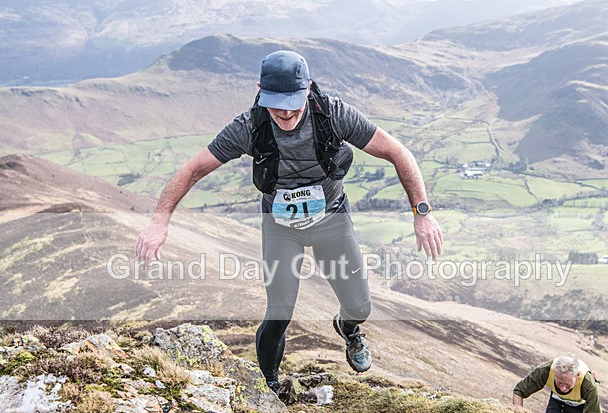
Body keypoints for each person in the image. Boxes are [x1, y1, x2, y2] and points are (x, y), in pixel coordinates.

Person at [136, 50, 443, 393]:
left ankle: (349, 328)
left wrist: (422, 213)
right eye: (275, 103)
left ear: (308, 87)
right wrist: (158, 222)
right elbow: (192, 169)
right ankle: (270, 386)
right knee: (279, 312)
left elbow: (397, 152)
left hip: (331, 220)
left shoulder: (334, 114)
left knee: (360, 305)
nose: (284, 112)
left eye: (293, 102)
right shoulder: (249, 126)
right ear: (259, 91)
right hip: (281, 228)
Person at [512, 354, 603, 413]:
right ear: (554, 373)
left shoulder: (588, 384)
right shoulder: (545, 370)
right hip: (557, 403)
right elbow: (519, 391)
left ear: (577, 375)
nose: (563, 388)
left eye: (567, 384)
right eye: (559, 383)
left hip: (580, 408)